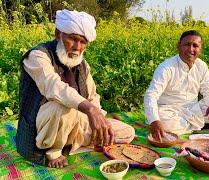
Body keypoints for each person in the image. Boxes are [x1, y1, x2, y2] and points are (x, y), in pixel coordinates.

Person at [16, 9, 135, 168]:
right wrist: (90, 109)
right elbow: (54, 87)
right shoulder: (38, 56)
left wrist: (99, 120)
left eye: (83, 42)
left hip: (76, 123)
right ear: (58, 33)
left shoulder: (82, 64)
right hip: (43, 127)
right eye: (73, 39)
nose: (77, 47)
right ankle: (54, 152)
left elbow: (92, 96)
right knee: (63, 106)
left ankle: (73, 144)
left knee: (125, 133)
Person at [144, 30, 209, 142]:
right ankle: (199, 125)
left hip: (192, 109)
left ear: (200, 49)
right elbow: (151, 95)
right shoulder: (166, 68)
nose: (191, 49)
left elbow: (208, 90)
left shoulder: (201, 66)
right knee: (162, 121)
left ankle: (188, 126)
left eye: (195, 46)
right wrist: (155, 121)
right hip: (169, 110)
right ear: (179, 46)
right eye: (187, 44)